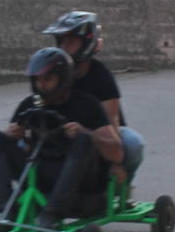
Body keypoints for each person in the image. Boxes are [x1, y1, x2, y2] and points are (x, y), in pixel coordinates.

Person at [0, 47, 123, 230]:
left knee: (84, 140)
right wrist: (12, 135)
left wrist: (87, 133)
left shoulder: (87, 104)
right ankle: (6, 211)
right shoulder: (30, 105)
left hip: (80, 188)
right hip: (41, 177)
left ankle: (52, 212)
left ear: (63, 78)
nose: (41, 85)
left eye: (47, 79)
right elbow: (19, 145)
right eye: (37, 80)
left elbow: (117, 154)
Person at [42, 11, 141, 179]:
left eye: (71, 41)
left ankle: (125, 187)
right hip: (63, 131)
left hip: (99, 131)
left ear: (86, 43)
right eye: (62, 41)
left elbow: (112, 122)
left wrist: (116, 163)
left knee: (132, 143)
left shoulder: (101, 77)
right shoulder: (54, 73)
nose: (64, 47)